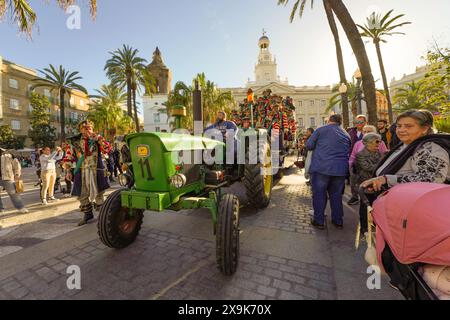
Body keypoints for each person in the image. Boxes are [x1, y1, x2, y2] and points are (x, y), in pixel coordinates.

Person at [361, 109, 450, 192]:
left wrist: (386, 179)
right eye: (399, 126)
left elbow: (431, 179)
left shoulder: (429, 149)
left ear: (424, 129)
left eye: (408, 126)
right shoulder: (406, 144)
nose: (401, 130)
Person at [306, 114, 351, 230]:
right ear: (340, 122)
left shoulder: (321, 130)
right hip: (340, 170)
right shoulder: (346, 134)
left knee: (319, 194)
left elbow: (309, 145)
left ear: (329, 120)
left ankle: (319, 221)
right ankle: (338, 221)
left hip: (321, 167)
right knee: (336, 196)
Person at [65, 120, 111, 226]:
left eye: (89, 128)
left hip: (96, 170)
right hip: (81, 171)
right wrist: (68, 171)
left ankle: (102, 215)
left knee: (99, 193)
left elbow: (108, 149)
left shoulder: (97, 139)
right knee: (82, 194)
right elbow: (68, 156)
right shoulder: (74, 141)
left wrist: (99, 139)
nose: (87, 130)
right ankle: (88, 214)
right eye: (85, 128)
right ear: (80, 130)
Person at [354, 133, 384, 234]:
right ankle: (364, 228)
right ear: (367, 143)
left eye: (379, 141)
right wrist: (381, 166)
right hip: (365, 185)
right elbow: (367, 168)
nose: (378, 144)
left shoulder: (379, 153)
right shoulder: (360, 155)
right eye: (376, 142)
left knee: (376, 206)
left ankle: (375, 225)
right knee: (365, 207)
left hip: (377, 184)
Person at [0, 147, 29, 214]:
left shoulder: (8, 155)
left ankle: (21, 207)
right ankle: (1, 209)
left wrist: (17, 174)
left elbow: (17, 165)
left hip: (7, 177)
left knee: (13, 193)